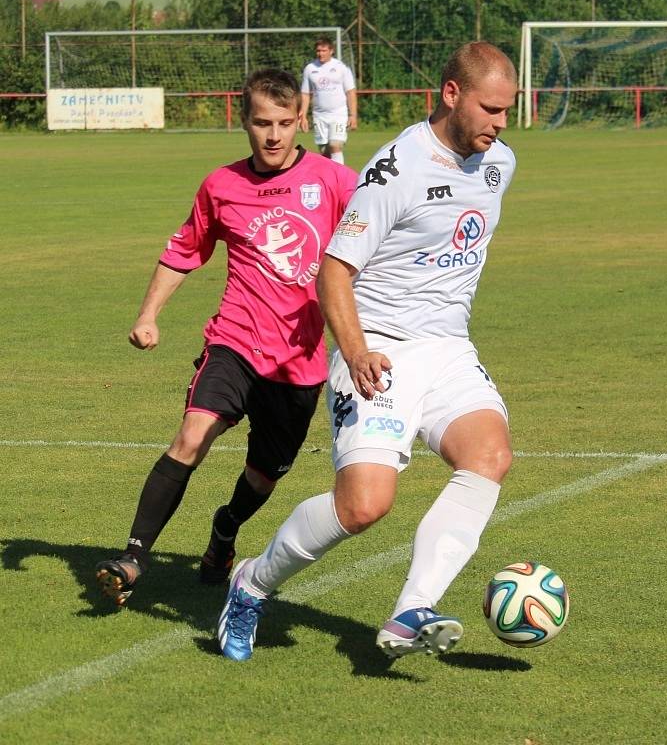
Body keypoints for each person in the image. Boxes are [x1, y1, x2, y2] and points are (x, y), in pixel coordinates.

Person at [217, 41, 518, 662]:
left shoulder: (500, 162)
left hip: (449, 349)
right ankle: (252, 583)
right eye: (491, 109)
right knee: (363, 506)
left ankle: (411, 611)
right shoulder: (397, 169)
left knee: (489, 456)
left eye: (508, 110)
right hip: (378, 348)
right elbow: (333, 271)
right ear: (452, 94)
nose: (501, 123)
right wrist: (354, 353)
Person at [95, 68, 357, 607]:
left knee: (263, 477)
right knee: (191, 437)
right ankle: (134, 556)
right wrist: (148, 315)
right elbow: (184, 251)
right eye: (262, 123)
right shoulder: (222, 185)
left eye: (285, 123)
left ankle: (225, 529)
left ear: (300, 119)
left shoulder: (334, 181)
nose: (274, 135)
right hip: (234, 342)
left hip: (301, 364)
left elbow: (375, 239)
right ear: (244, 121)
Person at [299, 37, 358, 165]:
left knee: (335, 145)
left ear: (331, 51)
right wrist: (303, 116)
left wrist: (353, 115)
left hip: (338, 114)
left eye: (324, 50)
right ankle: (327, 178)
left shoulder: (341, 68)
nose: (320, 53)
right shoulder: (310, 69)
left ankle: (340, 178)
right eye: (318, 51)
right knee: (325, 151)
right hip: (319, 116)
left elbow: (350, 92)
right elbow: (305, 94)